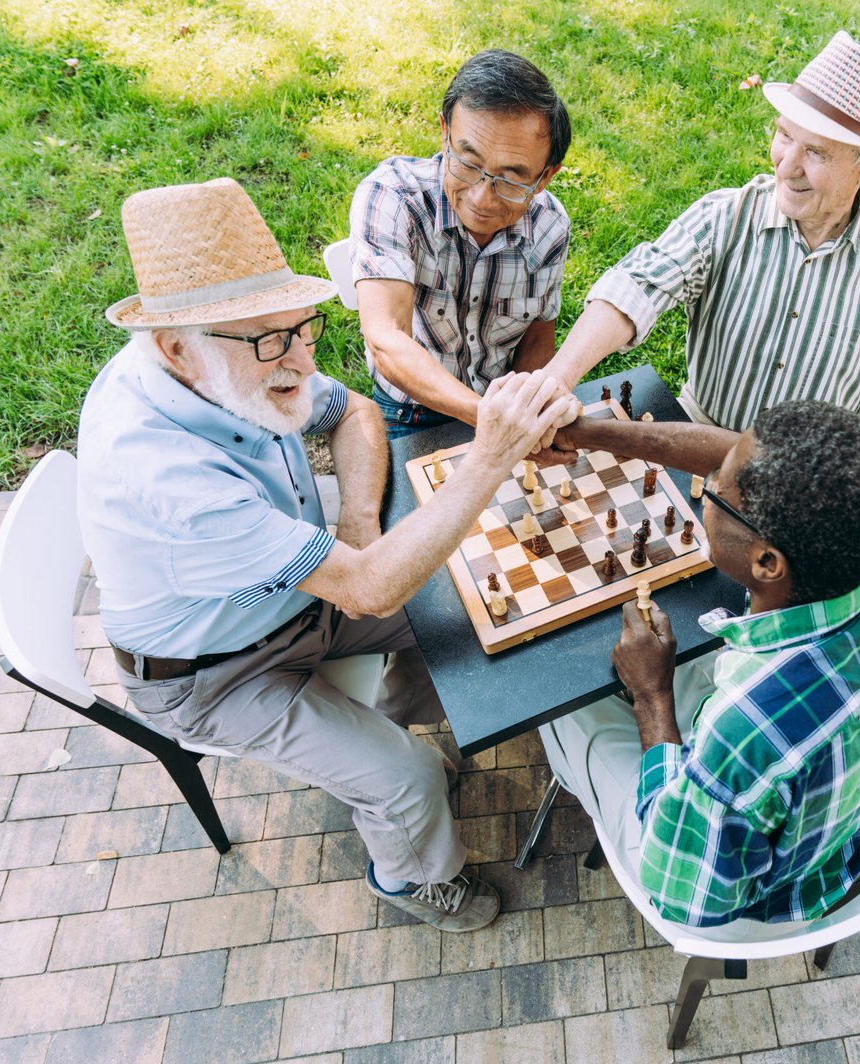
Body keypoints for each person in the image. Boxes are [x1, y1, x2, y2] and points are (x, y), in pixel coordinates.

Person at [80, 177, 577, 932]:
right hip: (213, 676)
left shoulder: (237, 369)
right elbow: (372, 592)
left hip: (304, 599)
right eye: (275, 342)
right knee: (409, 779)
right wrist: (488, 458)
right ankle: (414, 883)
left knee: (481, 591)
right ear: (176, 347)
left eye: (305, 329)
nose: (303, 363)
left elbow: (356, 414)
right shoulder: (165, 472)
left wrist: (355, 536)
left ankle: (390, 709)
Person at [538, 400, 860, 926]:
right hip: (842, 829)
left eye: (716, 489)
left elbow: (682, 900)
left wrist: (652, 696)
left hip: (736, 896)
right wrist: (591, 433)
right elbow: (735, 457)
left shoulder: (742, 736)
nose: (705, 487)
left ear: (767, 562)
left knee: (563, 708)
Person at [542, 32, 860, 449]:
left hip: (805, 473)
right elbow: (640, 285)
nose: (786, 167)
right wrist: (558, 377)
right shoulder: (725, 216)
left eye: (816, 153)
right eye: (785, 136)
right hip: (699, 437)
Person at [350, 49, 572, 438]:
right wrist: (490, 417)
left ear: (545, 177)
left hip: (502, 406)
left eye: (512, 179)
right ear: (444, 132)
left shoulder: (550, 226)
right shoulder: (391, 196)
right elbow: (386, 339)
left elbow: (538, 338)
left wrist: (523, 410)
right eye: (468, 163)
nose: (483, 199)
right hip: (409, 412)